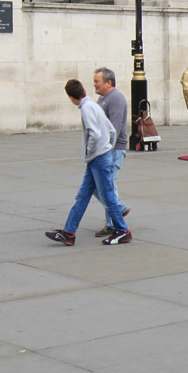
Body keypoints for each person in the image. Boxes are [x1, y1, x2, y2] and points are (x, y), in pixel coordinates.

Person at [46, 79, 131, 245]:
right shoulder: (94, 106)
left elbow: (94, 133)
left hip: (97, 158)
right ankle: (69, 232)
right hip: (100, 156)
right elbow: (112, 130)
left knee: (107, 195)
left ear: (71, 98)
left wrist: (89, 150)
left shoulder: (86, 109)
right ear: (84, 90)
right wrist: (108, 147)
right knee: (83, 195)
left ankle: (123, 230)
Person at [93, 67, 130, 237]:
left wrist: (105, 150)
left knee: (108, 185)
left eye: (97, 81)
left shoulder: (115, 99)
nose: (95, 85)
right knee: (99, 185)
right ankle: (116, 213)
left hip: (113, 150)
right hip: (105, 149)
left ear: (108, 82)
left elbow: (113, 129)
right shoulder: (103, 98)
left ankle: (113, 222)